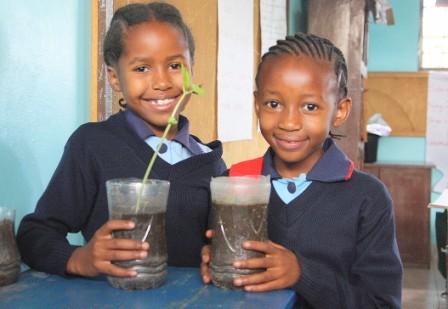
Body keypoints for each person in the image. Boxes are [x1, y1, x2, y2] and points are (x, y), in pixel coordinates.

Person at [17, 2, 226, 278]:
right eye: (142, 69)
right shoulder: (92, 145)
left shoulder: (211, 164)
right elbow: (34, 234)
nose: (161, 82)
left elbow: (217, 247)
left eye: (175, 65)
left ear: (192, 68)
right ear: (115, 78)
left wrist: (214, 254)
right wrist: (78, 258)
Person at [201, 33, 402, 308]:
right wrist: (211, 264)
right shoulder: (234, 183)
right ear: (257, 104)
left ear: (340, 111)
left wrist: (301, 274)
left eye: (310, 106)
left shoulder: (368, 198)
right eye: (274, 104)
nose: (289, 122)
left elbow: (382, 303)